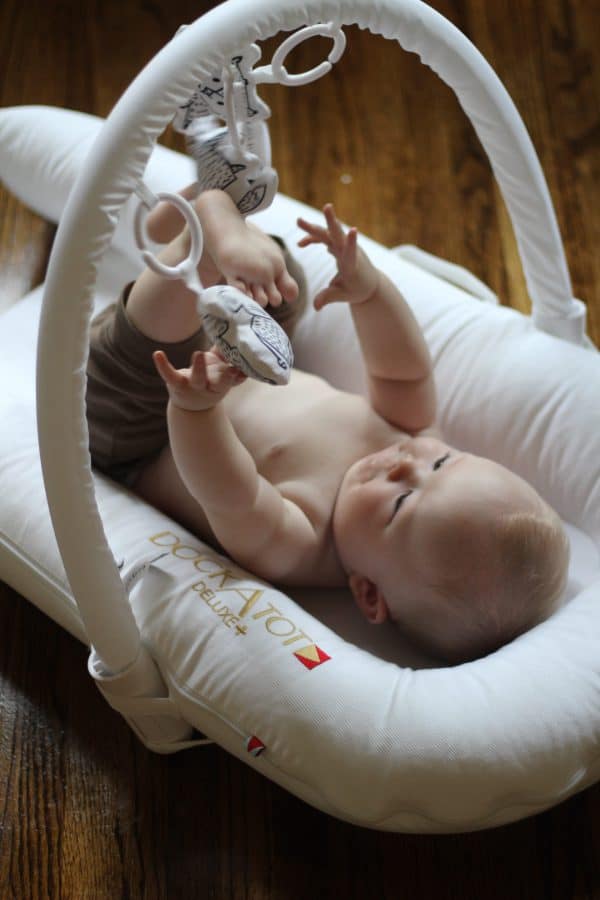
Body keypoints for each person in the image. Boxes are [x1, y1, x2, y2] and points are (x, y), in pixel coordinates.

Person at [87, 188, 570, 664]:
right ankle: (195, 232)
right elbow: (403, 370)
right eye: (444, 461)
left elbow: (228, 492)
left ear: (369, 595)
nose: (407, 464)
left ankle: (199, 237)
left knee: (145, 346)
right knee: (279, 284)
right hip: (247, 351)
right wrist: (370, 292)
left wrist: (195, 410)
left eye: (400, 504)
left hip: (147, 421)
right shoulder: (412, 435)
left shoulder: (300, 544)